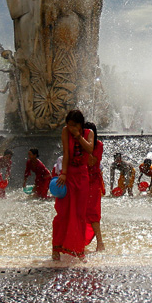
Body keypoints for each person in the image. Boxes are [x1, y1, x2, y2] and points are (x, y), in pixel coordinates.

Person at [52, 109, 94, 260]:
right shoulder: (65, 131)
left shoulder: (89, 133)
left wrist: (78, 137)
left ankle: (78, 249)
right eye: (68, 125)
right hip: (69, 175)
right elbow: (66, 153)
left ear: (80, 125)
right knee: (63, 212)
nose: (70, 128)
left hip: (82, 177)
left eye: (73, 125)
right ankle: (56, 248)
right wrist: (63, 173)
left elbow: (90, 149)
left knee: (79, 214)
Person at [84, 121, 104, 251]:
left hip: (93, 182)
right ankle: (79, 242)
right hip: (82, 181)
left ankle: (100, 243)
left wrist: (87, 147)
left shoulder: (98, 145)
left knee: (93, 213)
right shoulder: (79, 145)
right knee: (80, 212)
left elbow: (92, 162)